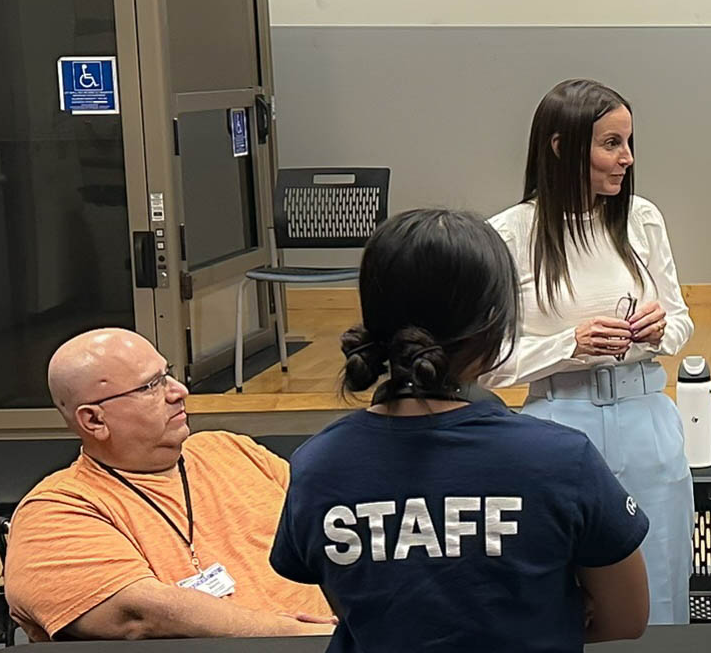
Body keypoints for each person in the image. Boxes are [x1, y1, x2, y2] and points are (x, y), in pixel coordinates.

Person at [270, 209, 651, 652]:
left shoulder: (318, 465)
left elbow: (357, 608)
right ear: (493, 323)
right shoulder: (562, 459)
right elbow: (625, 617)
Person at [482, 79, 693, 625]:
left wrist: (658, 331)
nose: (627, 158)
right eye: (611, 144)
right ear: (560, 146)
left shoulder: (642, 218)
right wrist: (567, 346)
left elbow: (681, 323)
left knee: (661, 580)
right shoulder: (508, 235)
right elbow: (486, 364)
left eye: (629, 142)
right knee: (566, 583)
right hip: (556, 420)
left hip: (648, 415)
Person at [5, 328, 333, 642]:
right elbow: (143, 614)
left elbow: (333, 531)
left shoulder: (230, 449)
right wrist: (305, 636)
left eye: (167, 374)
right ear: (94, 420)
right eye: (151, 386)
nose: (179, 391)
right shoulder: (55, 511)